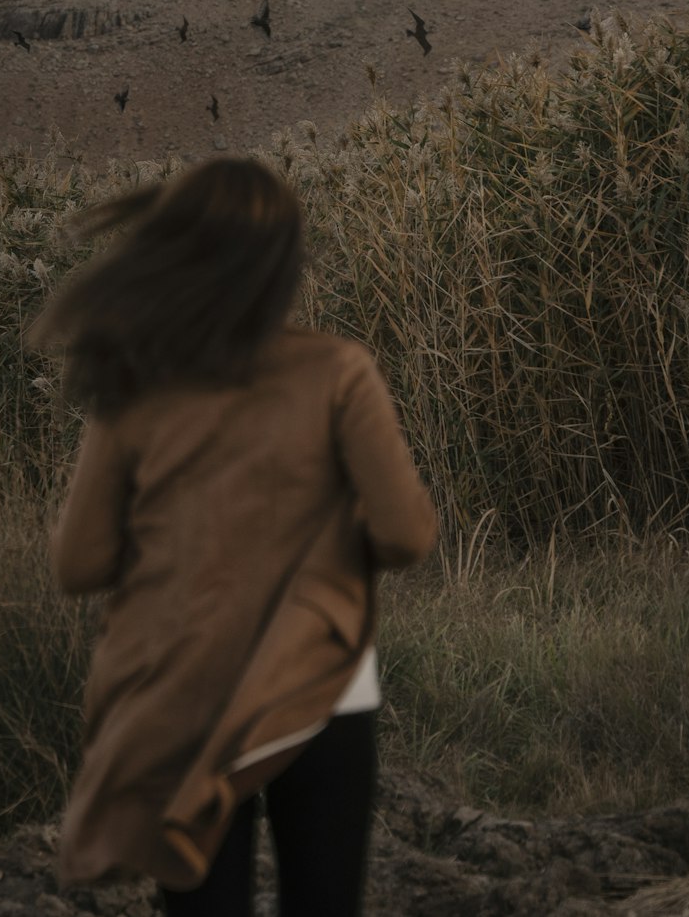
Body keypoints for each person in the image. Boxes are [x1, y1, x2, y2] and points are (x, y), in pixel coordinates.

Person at [25, 155, 438, 917]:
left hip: (186, 695)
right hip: (325, 693)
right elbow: (407, 534)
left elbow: (79, 561)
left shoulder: (139, 386)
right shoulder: (337, 371)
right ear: (284, 263)